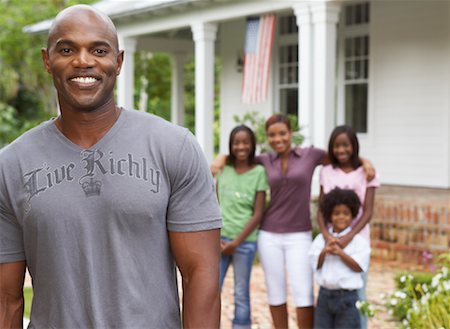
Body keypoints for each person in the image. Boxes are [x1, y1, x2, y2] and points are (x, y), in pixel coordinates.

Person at [0, 5, 222, 329]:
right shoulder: (11, 165)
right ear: (47, 61)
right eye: (67, 49)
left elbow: (200, 276)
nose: (83, 61)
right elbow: (6, 298)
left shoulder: (173, 148)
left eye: (98, 50)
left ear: (117, 62)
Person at [211, 114, 374, 329]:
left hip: (299, 234)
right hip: (269, 234)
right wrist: (221, 157)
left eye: (282, 133)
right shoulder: (265, 160)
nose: (278, 139)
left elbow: (339, 155)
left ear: (291, 133)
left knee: (303, 292)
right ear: (267, 137)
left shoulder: (310, 155)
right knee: (275, 291)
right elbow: (240, 158)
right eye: (272, 135)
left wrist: (365, 161)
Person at [317, 125, 380, 329]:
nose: (341, 150)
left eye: (345, 145)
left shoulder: (367, 173)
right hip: (332, 240)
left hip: (357, 241)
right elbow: (320, 209)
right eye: (336, 146)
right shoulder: (326, 172)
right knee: (330, 287)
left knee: (358, 295)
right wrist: (327, 236)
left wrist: (349, 237)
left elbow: (368, 211)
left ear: (354, 146)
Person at [216, 125, 268, 329]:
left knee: (240, 292)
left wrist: (236, 242)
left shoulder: (258, 173)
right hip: (219, 242)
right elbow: (214, 205)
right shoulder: (223, 170)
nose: (241, 146)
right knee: (211, 289)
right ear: (231, 145)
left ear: (252, 145)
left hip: (244, 243)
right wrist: (217, 238)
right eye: (237, 142)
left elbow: (258, 213)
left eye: (245, 142)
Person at [309, 188, 371, 329]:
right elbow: (315, 265)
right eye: (336, 213)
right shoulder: (321, 240)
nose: (341, 217)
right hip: (324, 297)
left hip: (347, 300)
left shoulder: (358, 241)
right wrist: (325, 251)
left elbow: (359, 267)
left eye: (345, 213)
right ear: (329, 216)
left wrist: (340, 253)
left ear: (352, 215)